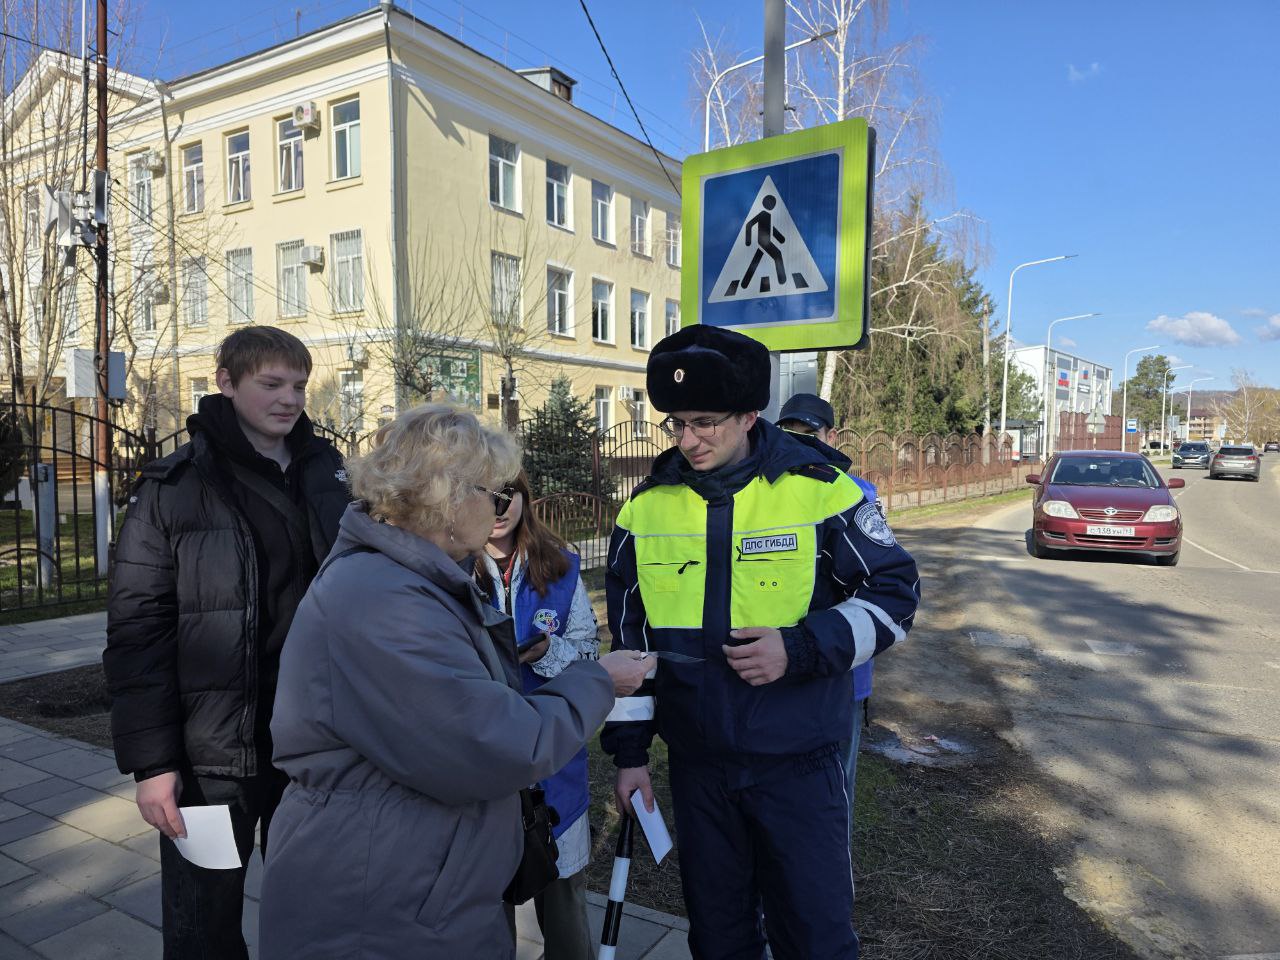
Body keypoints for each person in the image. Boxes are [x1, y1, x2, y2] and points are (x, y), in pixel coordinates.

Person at [257, 404, 652, 959]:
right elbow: (498, 743)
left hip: (415, 880)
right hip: (384, 899)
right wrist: (598, 680)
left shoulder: (403, 580)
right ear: (451, 498)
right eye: (492, 494)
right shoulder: (384, 599)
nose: (497, 510)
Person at [602, 326, 921, 960]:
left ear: (750, 415)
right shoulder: (645, 510)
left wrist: (799, 648)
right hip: (699, 770)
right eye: (675, 425)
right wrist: (631, 754)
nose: (687, 440)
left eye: (705, 422)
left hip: (798, 763)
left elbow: (895, 595)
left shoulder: (823, 490)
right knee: (719, 939)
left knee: (815, 937)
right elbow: (630, 644)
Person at [104, 326, 352, 959]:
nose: (290, 399)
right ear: (226, 382)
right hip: (211, 758)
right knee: (202, 932)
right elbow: (137, 633)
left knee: (320, 918)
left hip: (315, 744)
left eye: (298, 385)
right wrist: (153, 765)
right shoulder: (173, 488)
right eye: (271, 384)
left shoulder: (332, 475)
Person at [477, 471, 600, 960]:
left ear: (526, 498)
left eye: (509, 494)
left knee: (565, 907)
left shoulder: (561, 566)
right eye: (485, 496)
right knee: (484, 907)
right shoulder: (446, 569)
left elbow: (591, 654)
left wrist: (547, 652)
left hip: (555, 765)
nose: (499, 507)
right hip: (482, 761)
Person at [777, 393, 880, 808]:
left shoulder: (855, 494)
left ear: (831, 436)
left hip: (841, 669)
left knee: (835, 782)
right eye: (790, 433)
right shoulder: (765, 491)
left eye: (811, 433)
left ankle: (835, 866)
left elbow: (877, 586)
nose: (802, 443)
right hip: (781, 662)